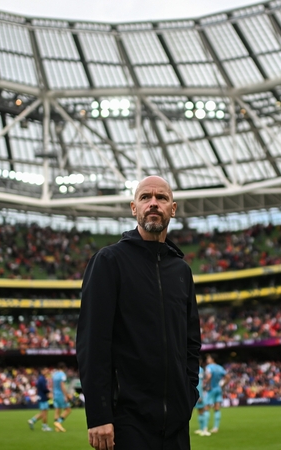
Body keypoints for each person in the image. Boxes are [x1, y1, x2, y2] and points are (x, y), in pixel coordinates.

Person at [77, 175, 201, 450]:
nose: (153, 203)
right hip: (126, 422)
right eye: (145, 197)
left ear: (173, 209)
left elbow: (191, 342)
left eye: (161, 198)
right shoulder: (109, 261)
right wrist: (99, 414)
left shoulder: (181, 270)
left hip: (177, 424)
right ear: (134, 208)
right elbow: (93, 342)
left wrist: (188, 395)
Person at [204, 354, 226, 434]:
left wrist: (207, 385)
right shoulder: (220, 367)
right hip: (218, 388)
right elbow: (227, 377)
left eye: (208, 358)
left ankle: (205, 428)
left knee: (206, 407)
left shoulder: (209, 367)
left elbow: (209, 376)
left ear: (212, 359)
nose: (207, 359)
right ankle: (215, 428)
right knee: (217, 408)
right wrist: (223, 385)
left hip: (211, 389)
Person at [51, 363, 72, 432]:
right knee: (68, 409)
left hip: (55, 394)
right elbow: (62, 386)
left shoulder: (54, 374)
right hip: (61, 394)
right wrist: (66, 395)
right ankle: (58, 422)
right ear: (64, 368)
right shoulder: (62, 375)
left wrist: (52, 393)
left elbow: (52, 385)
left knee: (57, 410)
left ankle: (57, 428)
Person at [194, 364, 210, 437]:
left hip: (198, 393)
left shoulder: (196, 369)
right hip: (199, 393)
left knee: (203, 410)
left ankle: (204, 429)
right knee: (202, 410)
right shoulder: (201, 369)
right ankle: (203, 429)